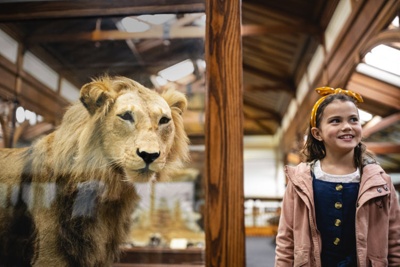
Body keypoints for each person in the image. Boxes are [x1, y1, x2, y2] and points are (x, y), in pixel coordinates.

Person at [275, 87, 400, 266]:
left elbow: (395, 239)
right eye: (335, 121)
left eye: (353, 119)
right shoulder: (299, 181)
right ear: (317, 133)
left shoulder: (381, 181)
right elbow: (286, 241)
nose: (347, 126)